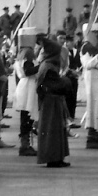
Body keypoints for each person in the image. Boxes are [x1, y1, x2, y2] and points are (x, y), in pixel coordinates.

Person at [36, 35, 71, 168]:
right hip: (50, 102)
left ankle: (58, 157)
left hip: (53, 102)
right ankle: (53, 158)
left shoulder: (48, 65)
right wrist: (66, 81)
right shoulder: (48, 67)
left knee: (57, 130)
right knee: (52, 130)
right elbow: (57, 85)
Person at [14, 28, 41, 156]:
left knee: (25, 116)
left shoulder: (21, 52)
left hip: (24, 85)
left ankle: (25, 143)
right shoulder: (28, 52)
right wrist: (41, 66)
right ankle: (25, 145)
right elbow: (28, 70)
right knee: (27, 117)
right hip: (28, 85)